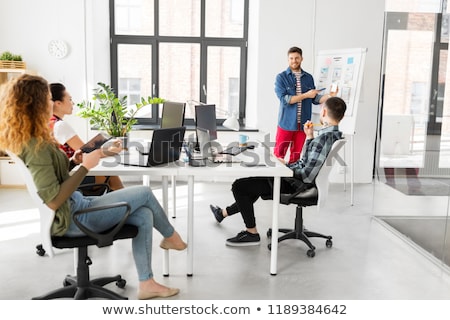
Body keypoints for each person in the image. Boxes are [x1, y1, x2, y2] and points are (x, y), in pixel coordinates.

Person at [0, 74, 187, 299]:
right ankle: (171, 237)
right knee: (145, 192)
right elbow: (52, 200)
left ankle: (147, 283)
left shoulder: (33, 138)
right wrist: (85, 167)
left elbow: (54, 178)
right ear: (35, 103)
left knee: (145, 214)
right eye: (48, 98)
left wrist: (74, 161)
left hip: (77, 206)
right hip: (73, 218)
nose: (52, 103)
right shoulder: (36, 146)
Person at [210, 96, 347, 246]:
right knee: (252, 186)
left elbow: (307, 175)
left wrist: (284, 166)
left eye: (321, 110)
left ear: (324, 111)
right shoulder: (332, 135)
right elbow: (306, 163)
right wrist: (308, 138)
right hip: (298, 181)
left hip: (297, 185)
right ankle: (223, 213)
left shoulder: (324, 138)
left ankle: (251, 233)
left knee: (240, 186)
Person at [49, 83, 124, 191]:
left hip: (61, 176)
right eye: (69, 99)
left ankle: (123, 203)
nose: (73, 103)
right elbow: (86, 154)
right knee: (111, 175)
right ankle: (126, 204)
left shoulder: (49, 123)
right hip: (70, 178)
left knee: (110, 176)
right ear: (58, 103)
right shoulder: (60, 126)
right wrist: (111, 150)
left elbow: (82, 151)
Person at [274, 46, 338, 164]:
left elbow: (315, 98)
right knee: (278, 156)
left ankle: (290, 182)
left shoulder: (308, 78)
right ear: (288, 59)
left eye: (296, 58)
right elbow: (285, 100)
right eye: (291, 58)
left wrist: (330, 95)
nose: (294, 61)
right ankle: (274, 182)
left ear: (302, 58)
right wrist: (306, 95)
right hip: (286, 123)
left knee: (296, 158)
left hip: (303, 124)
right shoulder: (281, 78)